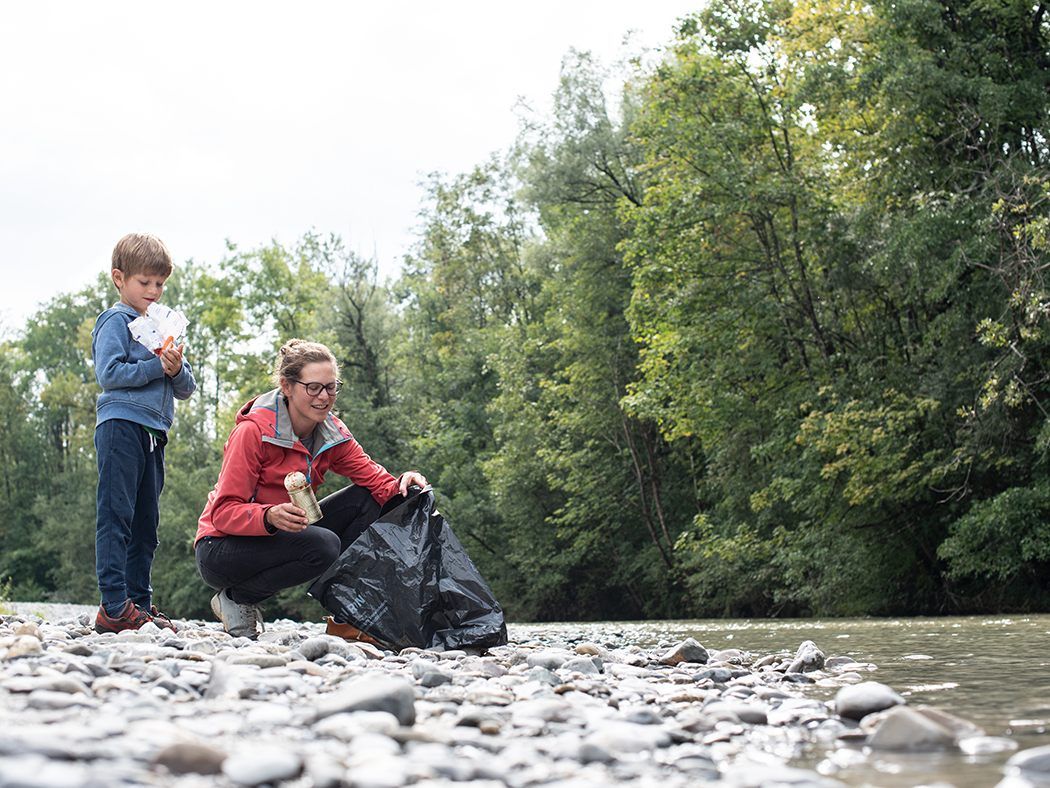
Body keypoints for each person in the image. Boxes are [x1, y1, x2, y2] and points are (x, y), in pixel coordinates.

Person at [195, 339, 427, 638]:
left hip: (285, 533)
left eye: (331, 387)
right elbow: (223, 513)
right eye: (314, 387)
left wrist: (406, 483)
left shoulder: (332, 432)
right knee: (324, 545)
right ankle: (238, 598)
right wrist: (268, 516)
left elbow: (378, 483)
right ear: (287, 387)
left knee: (368, 499)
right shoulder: (252, 432)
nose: (324, 397)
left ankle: (347, 615)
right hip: (221, 548)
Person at [92, 233, 197, 633]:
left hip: (155, 432)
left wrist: (174, 367)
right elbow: (110, 374)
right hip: (121, 425)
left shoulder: (163, 326)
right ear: (119, 278)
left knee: (146, 523)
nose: (153, 291)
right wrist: (156, 367)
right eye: (145, 282)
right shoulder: (115, 321)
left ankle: (140, 601)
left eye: (160, 284)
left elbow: (185, 388)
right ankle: (113, 605)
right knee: (116, 515)